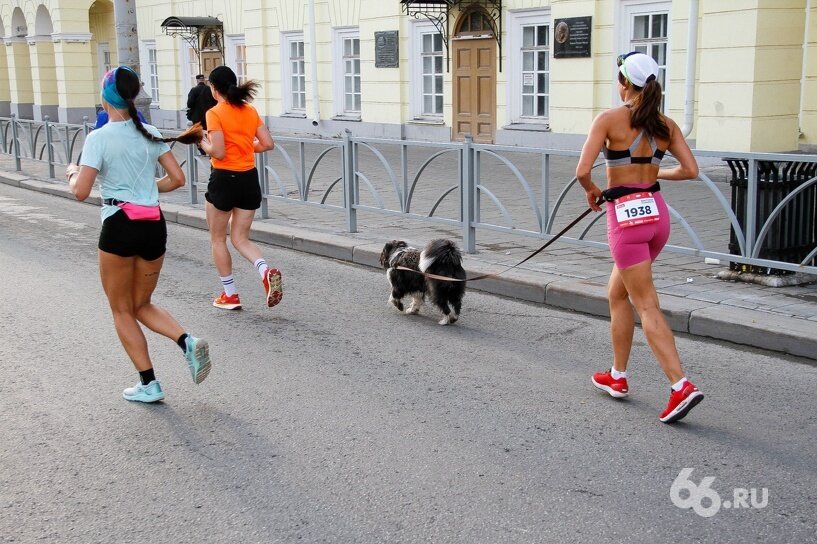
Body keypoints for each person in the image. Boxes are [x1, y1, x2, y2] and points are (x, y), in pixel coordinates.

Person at [66, 66, 211, 404]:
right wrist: (146, 188)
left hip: (119, 225)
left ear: (105, 97)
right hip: (153, 226)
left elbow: (81, 192)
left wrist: (73, 173)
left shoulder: (98, 138)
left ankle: (149, 383)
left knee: (121, 309)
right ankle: (186, 341)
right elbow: (177, 179)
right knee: (141, 303)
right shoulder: (148, 131)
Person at [575, 52, 704, 424]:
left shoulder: (609, 120)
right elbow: (692, 170)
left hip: (626, 222)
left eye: (618, 79)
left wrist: (593, 191)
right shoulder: (666, 124)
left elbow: (582, 171)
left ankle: (680, 385)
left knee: (646, 304)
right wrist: (652, 177)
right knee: (618, 293)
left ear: (625, 83)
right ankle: (617, 376)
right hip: (656, 216)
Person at [198, 65, 281, 311]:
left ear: (214, 88)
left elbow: (219, 152)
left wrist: (203, 142)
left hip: (223, 178)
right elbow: (267, 144)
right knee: (240, 238)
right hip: (248, 179)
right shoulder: (250, 110)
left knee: (217, 239)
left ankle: (230, 294)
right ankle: (265, 271)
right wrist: (245, 146)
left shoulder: (215, 113)